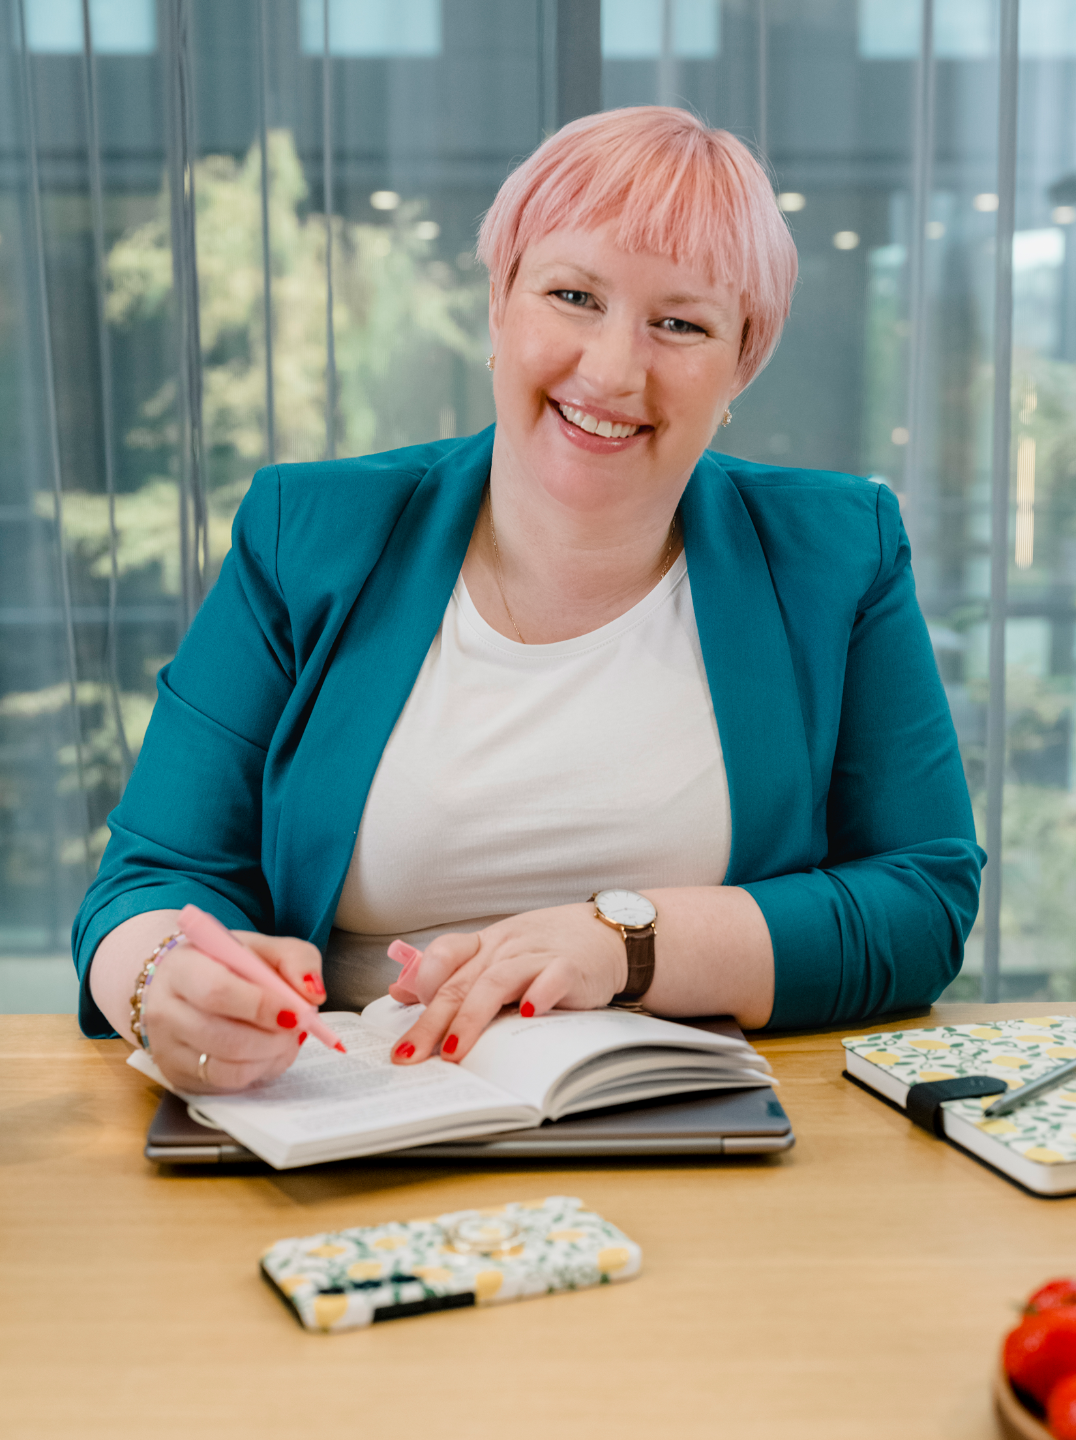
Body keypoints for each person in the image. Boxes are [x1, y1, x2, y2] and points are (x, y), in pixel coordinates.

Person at [73, 106, 983, 1094]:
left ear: (741, 361)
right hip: (347, 1113)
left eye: (680, 323)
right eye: (572, 296)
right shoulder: (310, 532)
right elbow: (151, 880)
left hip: (686, 1120)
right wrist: (165, 985)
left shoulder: (838, 551)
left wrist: (624, 943)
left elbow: (921, 899)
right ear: (500, 304)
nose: (612, 369)